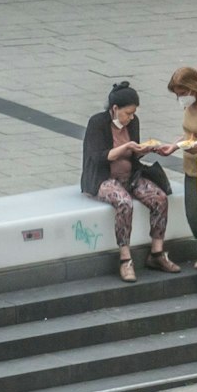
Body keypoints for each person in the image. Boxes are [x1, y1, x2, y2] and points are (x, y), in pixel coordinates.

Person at [81, 81, 182, 284]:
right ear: (115, 109)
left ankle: (157, 252)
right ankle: (125, 258)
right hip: (104, 178)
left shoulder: (132, 123)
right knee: (124, 202)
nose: (131, 117)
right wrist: (127, 146)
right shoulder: (97, 123)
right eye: (127, 113)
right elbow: (99, 157)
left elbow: (133, 154)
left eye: (133, 113)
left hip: (131, 175)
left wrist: (146, 149)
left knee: (159, 198)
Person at [168, 66, 197, 299]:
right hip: (190, 168)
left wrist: (196, 146)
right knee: (193, 216)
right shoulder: (190, 108)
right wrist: (177, 144)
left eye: (183, 92)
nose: (180, 98)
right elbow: (188, 135)